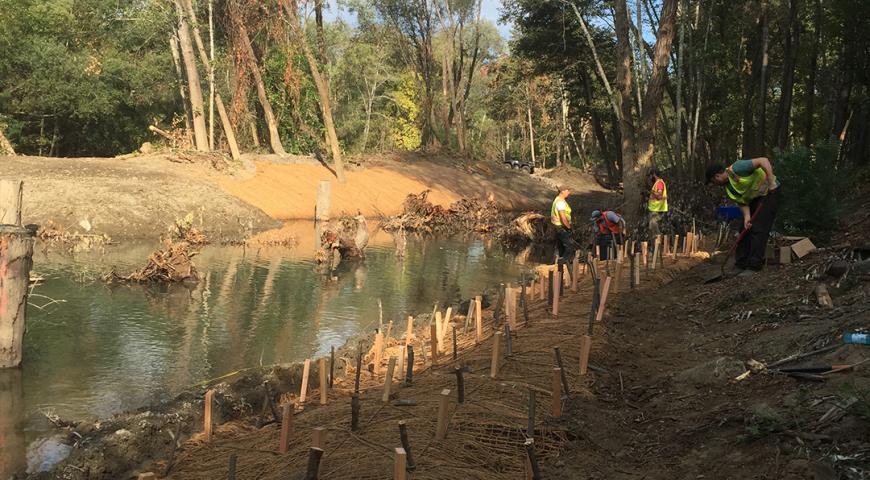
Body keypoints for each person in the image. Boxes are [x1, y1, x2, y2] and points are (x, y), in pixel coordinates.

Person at [706, 156, 782, 275]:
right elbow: (742, 202)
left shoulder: (738, 168)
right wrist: (747, 217)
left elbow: (763, 161)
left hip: (769, 193)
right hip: (754, 199)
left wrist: (771, 181)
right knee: (744, 229)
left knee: (758, 229)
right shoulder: (729, 189)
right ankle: (741, 264)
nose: (714, 184)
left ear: (717, 176)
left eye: (713, 181)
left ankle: (754, 266)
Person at [550, 186, 577, 279]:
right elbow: (562, 217)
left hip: (558, 227)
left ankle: (561, 268)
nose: (569, 192)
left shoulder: (557, 200)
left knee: (561, 248)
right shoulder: (560, 202)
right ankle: (563, 261)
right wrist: (569, 227)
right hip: (561, 227)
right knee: (571, 245)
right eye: (568, 191)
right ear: (562, 191)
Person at [647, 168, 668, 238]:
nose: (650, 178)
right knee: (651, 228)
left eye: (650, 176)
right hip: (654, 209)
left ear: (654, 175)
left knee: (654, 226)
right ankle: (655, 245)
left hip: (657, 209)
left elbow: (659, 196)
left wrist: (652, 192)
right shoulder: (656, 183)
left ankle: (658, 244)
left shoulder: (659, 183)